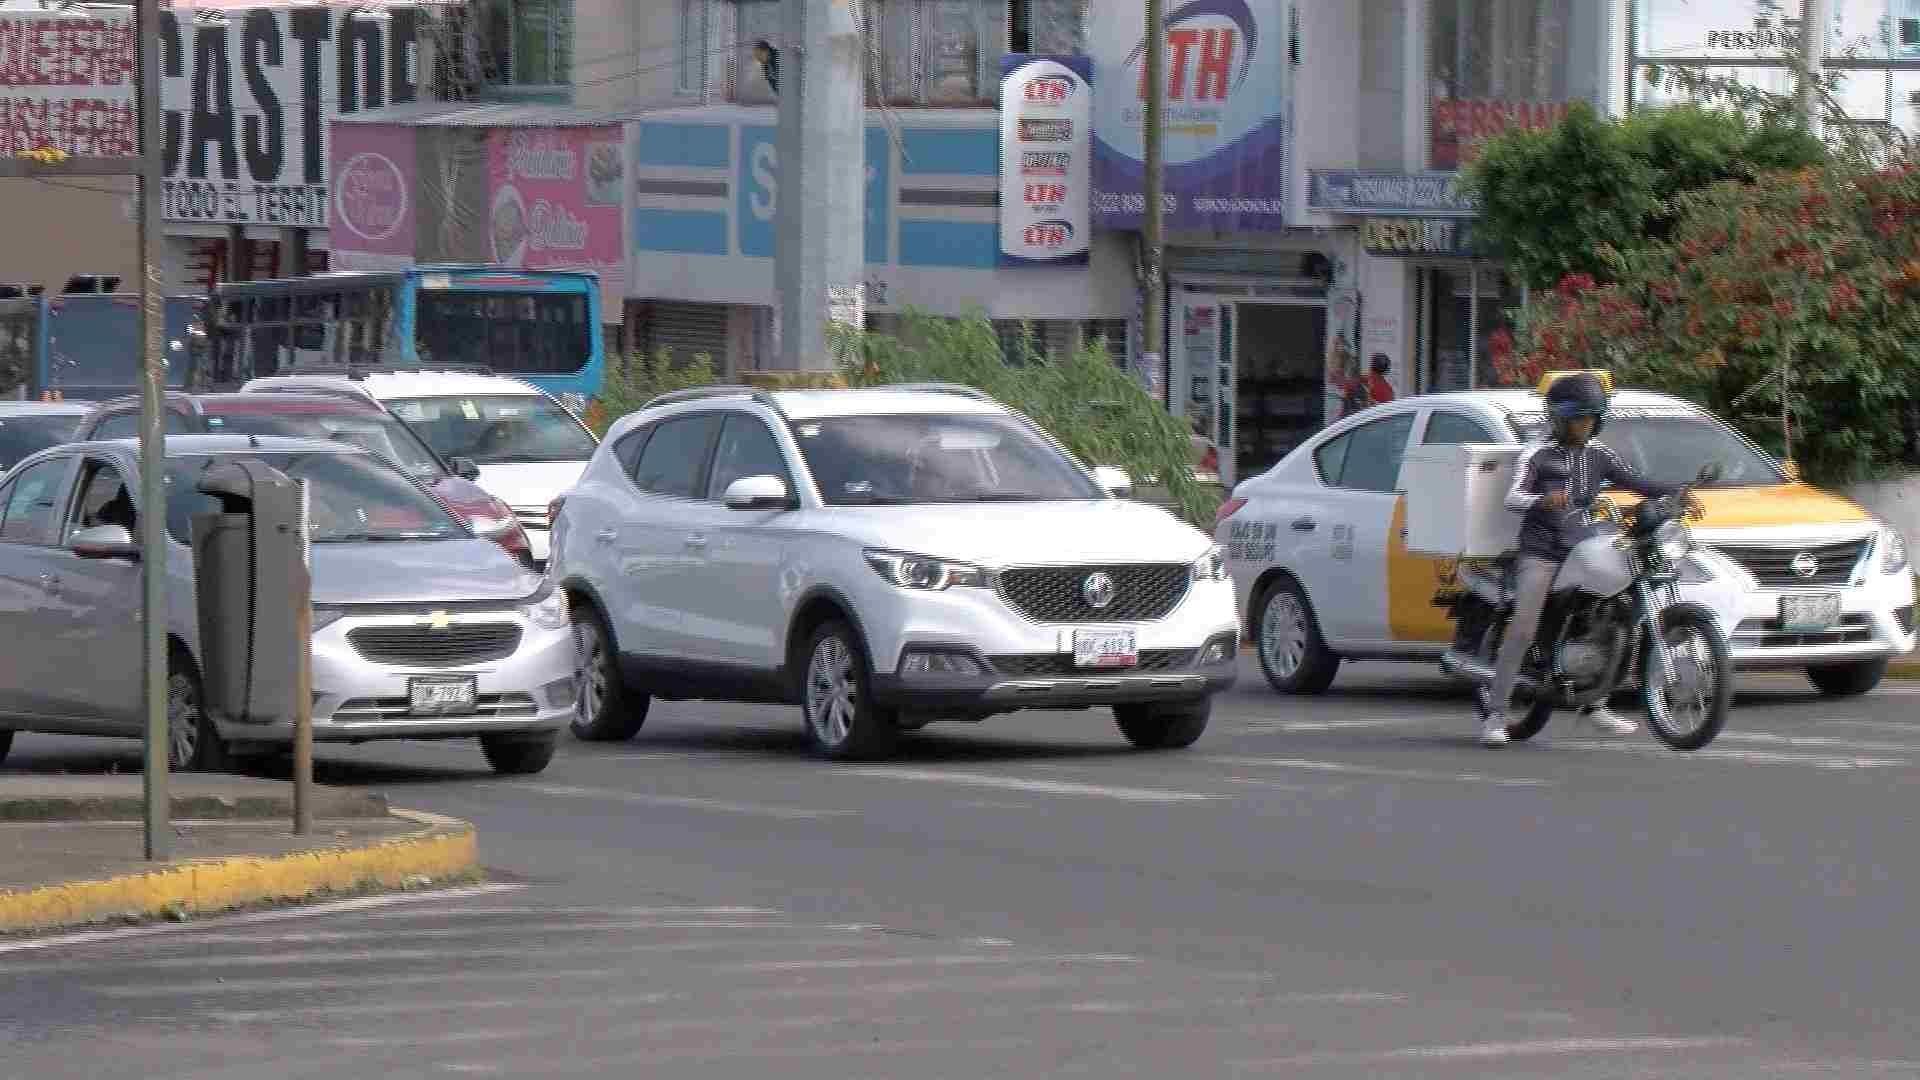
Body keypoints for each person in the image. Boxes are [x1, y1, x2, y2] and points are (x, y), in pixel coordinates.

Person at [1479, 372, 1691, 748]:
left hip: (1584, 547)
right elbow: (1513, 498)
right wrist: (1542, 500)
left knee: (1615, 612)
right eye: (1577, 418)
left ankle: (1596, 702)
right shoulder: (1537, 453)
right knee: (1525, 626)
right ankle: (1496, 714)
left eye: (1590, 418)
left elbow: (1636, 481)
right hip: (1542, 552)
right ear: (1558, 418)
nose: (1584, 426)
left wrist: (1679, 493)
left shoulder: (1599, 455)